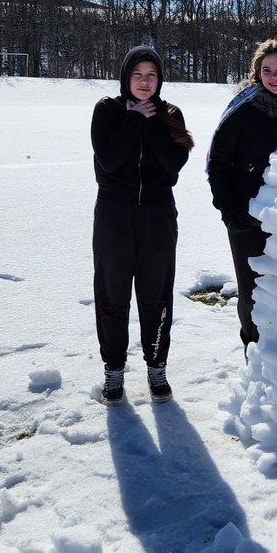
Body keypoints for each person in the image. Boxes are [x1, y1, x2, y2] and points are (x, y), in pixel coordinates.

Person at [91, 46, 193, 405]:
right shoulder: (107, 111)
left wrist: (150, 122)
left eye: (151, 75)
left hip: (157, 215)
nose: (145, 82)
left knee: (156, 295)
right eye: (138, 74)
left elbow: (171, 165)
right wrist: (133, 120)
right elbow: (109, 160)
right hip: (113, 215)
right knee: (112, 294)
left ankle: (156, 366)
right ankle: (114, 371)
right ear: (126, 77)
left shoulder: (170, 114)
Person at [208, 38, 277, 350]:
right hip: (247, 218)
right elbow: (218, 162)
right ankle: (253, 353)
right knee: (251, 291)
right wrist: (230, 213)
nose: (274, 76)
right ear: (258, 73)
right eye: (266, 70)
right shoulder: (243, 109)